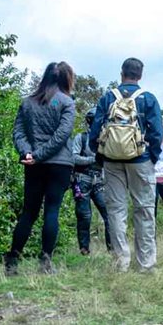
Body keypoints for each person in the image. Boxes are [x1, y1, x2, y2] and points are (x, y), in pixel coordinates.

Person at [89, 57, 163, 272]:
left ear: (121, 73)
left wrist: (101, 156)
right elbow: (157, 133)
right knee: (144, 210)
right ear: (140, 75)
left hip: (112, 161)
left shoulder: (108, 97)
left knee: (116, 211)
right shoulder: (148, 98)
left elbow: (95, 131)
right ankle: (145, 264)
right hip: (140, 159)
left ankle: (121, 262)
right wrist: (151, 157)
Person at [6, 61, 76, 276]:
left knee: (29, 212)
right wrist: (37, 156)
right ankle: (45, 260)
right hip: (59, 163)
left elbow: (18, 132)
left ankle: (13, 259)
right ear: (66, 79)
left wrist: (29, 154)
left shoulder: (27, 102)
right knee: (51, 211)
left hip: (34, 165)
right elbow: (61, 136)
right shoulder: (67, 102)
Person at [70, 108, 112, 255]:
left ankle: (112, 249)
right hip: (82, 179)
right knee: (84, 216)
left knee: (109, 214)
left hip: (100, 180)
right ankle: (84, 249)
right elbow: (73, 157)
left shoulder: (107, 138)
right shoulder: (80, 138)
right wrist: (93, 159)